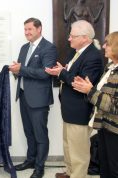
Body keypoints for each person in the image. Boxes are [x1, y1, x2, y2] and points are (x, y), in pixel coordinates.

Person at [45, 20, 103, 178]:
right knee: (68, 145)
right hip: (70, 109)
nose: (69, 38)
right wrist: (62, 70)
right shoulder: (76, 52)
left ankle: (77, 175)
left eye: (72, 36)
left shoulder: (93, 56)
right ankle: (70, 173)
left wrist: (61, 73)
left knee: (79, 152)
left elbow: (80, 83)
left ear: (84, 37)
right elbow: (71, 74)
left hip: (80, 111)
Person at [9, 17, 57, 178]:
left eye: (30, 29)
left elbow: (45, 73)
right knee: (29, 132)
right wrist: (16, 71)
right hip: (23, 96)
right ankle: (30, 160)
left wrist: (21, 69)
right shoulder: (24, 48)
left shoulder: (49, 48)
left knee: (40, 135)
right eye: (25, 30)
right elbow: (22, 71)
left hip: (39, 99)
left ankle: (39, 167)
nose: (27, 32)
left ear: (39, 29)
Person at [72, 31, 118, 178]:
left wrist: (89, 91)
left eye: (108, 44)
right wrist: (90, 87)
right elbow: (104, 92)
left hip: (115, 129)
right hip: (104, 125)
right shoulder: (110, 67)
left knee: (114, 167)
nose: (104, 46)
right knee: (105, 166)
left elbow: (112, 105)